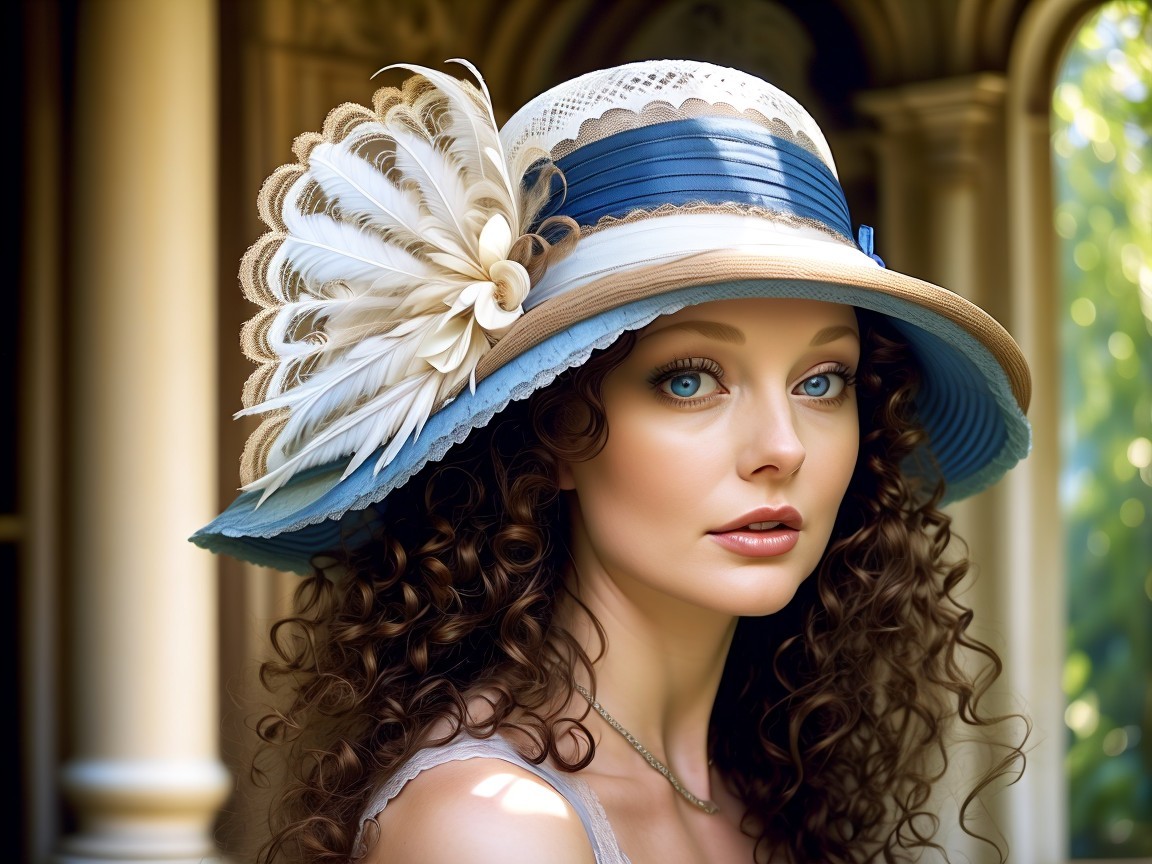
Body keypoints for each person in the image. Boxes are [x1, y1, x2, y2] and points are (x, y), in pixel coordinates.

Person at [193, 57, 1032, 864]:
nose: (782, 447)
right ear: (552, 434)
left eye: (822, 380)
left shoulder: (761, 793)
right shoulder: (495, 829)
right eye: (690, 379)